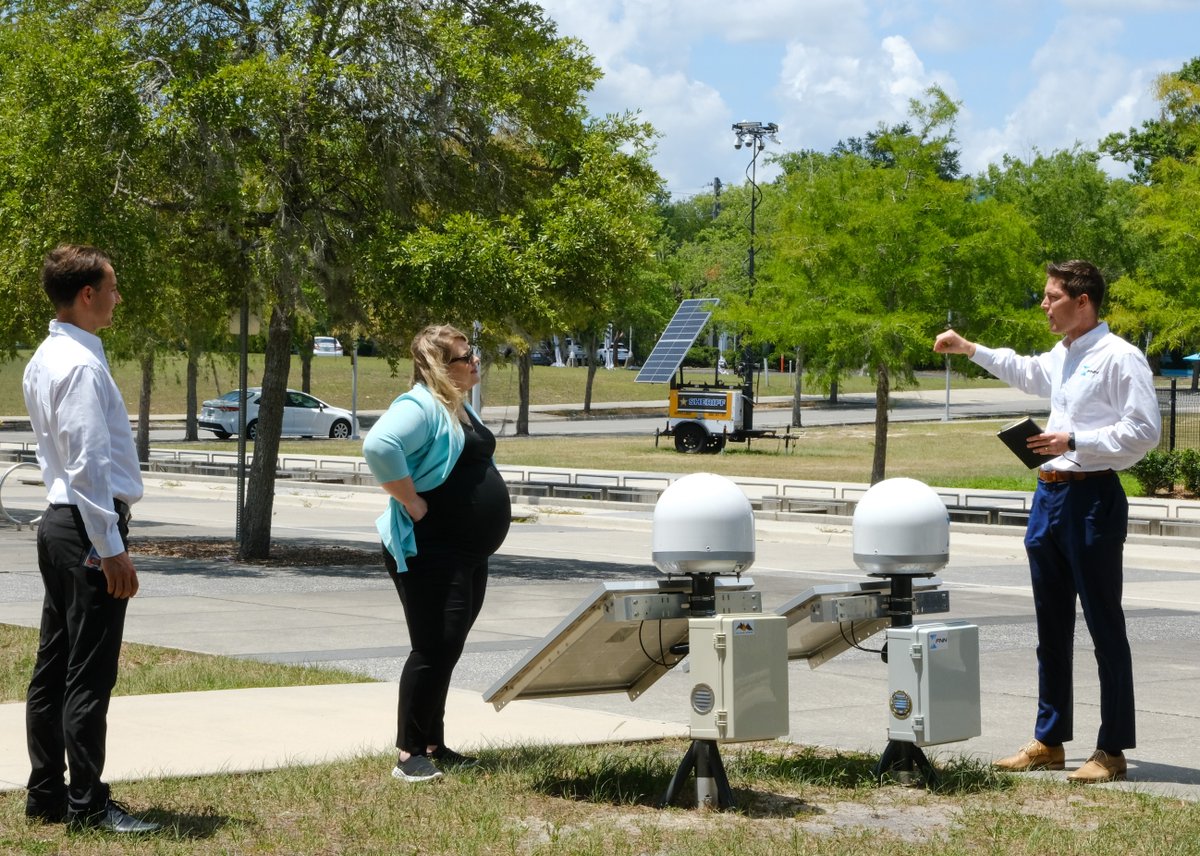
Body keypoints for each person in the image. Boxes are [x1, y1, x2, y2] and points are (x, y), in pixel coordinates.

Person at [933, 259, 1161, 784]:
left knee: (1105, 626)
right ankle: (1050, 740)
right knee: (1049, 627)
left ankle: (1111, 749)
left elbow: (1144, 432)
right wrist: (971, 349)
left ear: (1084, 301)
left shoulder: (1120, 357)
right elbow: (1026, 369)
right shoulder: (1064, 355)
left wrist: (1074, 441)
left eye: (1052, 296)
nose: (1044, 305)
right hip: (1048, 497)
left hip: (1092, 499)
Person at [22, 245, 160, 832]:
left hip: (59, 523)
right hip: (83, 525)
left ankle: (46, 794)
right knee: (88, 672)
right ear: (86, 295)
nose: (117, 296)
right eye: (112, 286)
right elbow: (87, 464)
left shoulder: (44, 357)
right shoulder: (79, 365)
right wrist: (111, 547)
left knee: (54, 664)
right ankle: (88, 804)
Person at [362, 324, 511, 783]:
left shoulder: (457, 407)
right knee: (433, 646)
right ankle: (409, 753)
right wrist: (412, 501)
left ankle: (432, 742)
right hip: (431, 549)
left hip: (465, 551)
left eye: (474, 355)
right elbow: (379, 445)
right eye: (467, 357)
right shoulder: (420, 404)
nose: (475, 363)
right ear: (440, 367)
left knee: (450, 646)